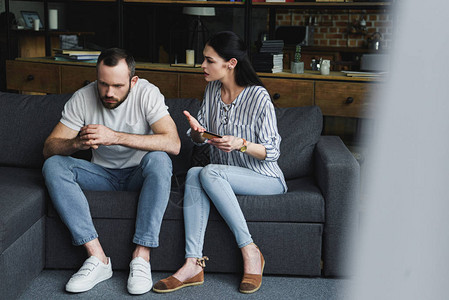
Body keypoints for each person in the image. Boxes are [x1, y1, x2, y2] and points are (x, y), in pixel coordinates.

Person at [153, 31, 287, 294]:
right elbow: (202, 139)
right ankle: (193, 263)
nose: (202, 66)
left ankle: (250, 251)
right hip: (221, 175)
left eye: (209, 60)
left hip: (265, 177)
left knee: (209, 173)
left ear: (231, 63)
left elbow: (273, 151)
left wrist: (242, 144)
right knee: (194, 174)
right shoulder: (212, 90)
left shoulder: (258, 96)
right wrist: (196, 133)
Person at [42, 48, 180, 295]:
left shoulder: (147, 93)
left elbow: (173, 143)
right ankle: (98, 259)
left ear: (133, 81)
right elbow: (49, 147)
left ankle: (141, 257)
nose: (108, 93)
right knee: (53, 164)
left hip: (139, 174)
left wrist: (115, 137)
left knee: (160, 159)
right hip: (102, 176)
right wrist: (76, 144)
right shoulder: (83, 97)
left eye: (117, 85)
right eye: (103, 84)